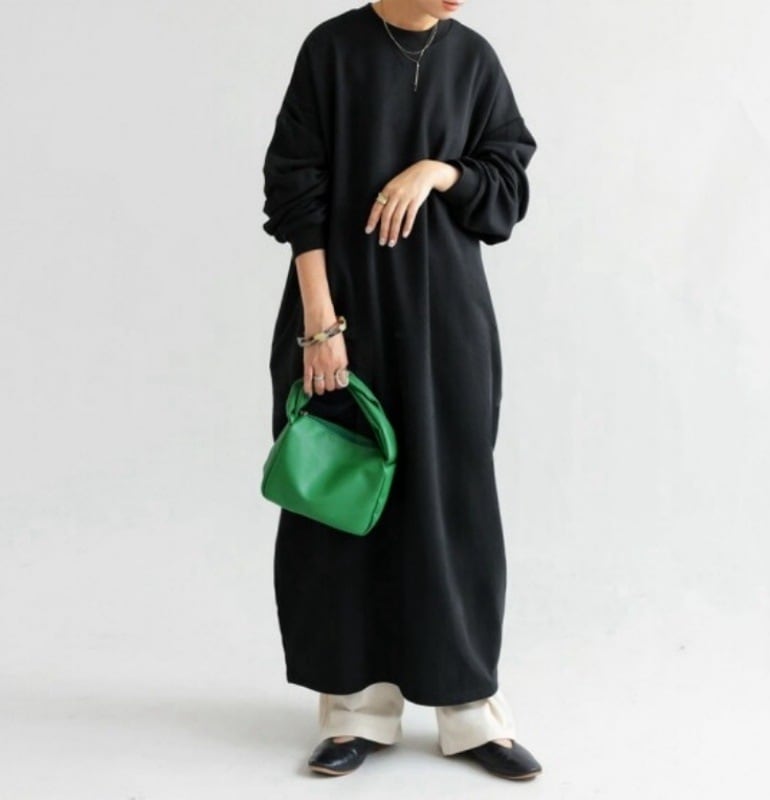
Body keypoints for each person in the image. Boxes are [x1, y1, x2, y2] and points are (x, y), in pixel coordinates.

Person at [261, 0, 542, 780]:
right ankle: (356, 712)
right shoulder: (332, 50)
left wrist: (441, 170)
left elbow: (507, 184)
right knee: (346, 498)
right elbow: (294, 187)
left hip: (447, 317)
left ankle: (470, 711)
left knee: (454, 502)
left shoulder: (473, 58)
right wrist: (320, 323)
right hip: (341, 310)